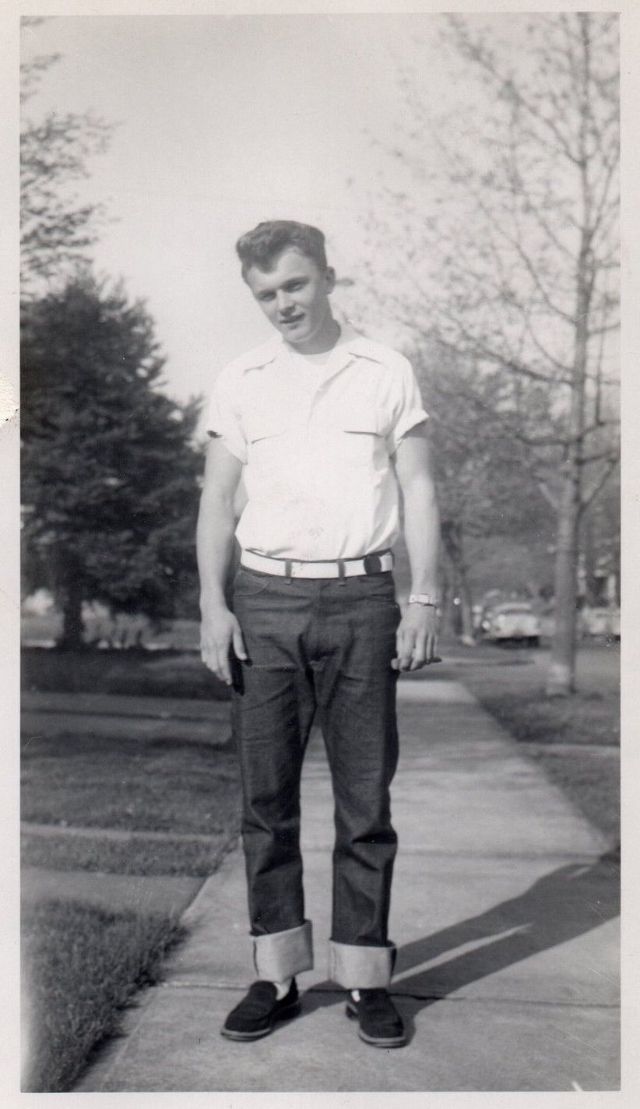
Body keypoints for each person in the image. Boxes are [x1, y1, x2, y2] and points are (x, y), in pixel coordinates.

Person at [197, 220, 440, 1049]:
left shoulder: (384, 371)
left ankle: (366, 978)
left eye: (294, 286)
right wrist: (212, 603)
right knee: (265, 801)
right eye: (266, 294)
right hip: (263, 599)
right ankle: (275, 973)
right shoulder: (241, 378)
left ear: (328, 277)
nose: (283, 305)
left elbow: (417, 485)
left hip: (363, 599)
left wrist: (425, 596)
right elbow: (217, 502)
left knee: (365, 802)